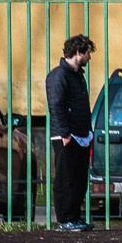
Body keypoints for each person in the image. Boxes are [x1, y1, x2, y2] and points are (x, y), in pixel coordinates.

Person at [45, 33, 94, 232]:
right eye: (88, 53)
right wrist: (65, 133)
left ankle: (75, 216)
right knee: (66, 177)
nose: (89, 57)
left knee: (79, 178)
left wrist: (87, 131)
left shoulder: (77, 76)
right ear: (77, 52)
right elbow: (56, 105)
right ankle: (65, 218)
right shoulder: (58, 75)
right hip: (67, 135)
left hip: (80, 134)